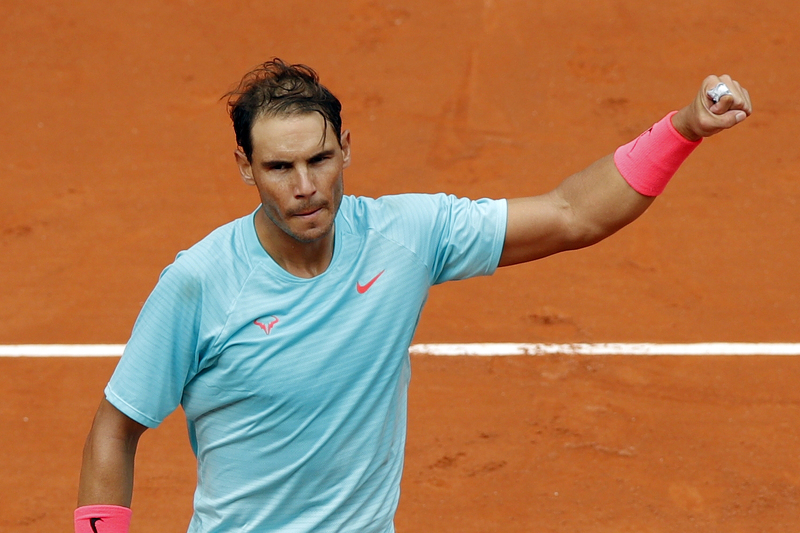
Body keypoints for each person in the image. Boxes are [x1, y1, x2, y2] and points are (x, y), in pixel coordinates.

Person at [75, 59, 751, 533]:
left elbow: (574, 213)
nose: (304, 185)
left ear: (346, 148)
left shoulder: (404, 236)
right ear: (245, 168)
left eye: (319, 159)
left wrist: (685, 127)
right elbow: (115, 426)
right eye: (278, 167)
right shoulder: (200, 281)